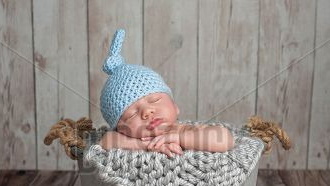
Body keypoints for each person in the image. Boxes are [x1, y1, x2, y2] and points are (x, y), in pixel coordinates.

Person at [99, 29, 235, 158]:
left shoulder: (184, 130)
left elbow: (225, 139)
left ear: (175, 107)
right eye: (132, 114)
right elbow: (106, 141)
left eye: (155, 100)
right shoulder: (126, 138)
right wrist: (147, 145)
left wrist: (179, 138)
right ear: (120, 129)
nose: (147, 112)